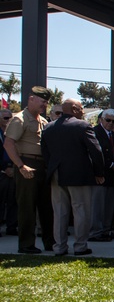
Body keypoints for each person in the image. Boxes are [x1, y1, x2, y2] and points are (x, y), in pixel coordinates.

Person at [41, 99, 104, 256]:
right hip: (79, 174)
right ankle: (80, 246)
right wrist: (99, 173)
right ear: (75, 109)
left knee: (59, 212)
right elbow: (96, 151)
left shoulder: (48, 128)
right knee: (81, 210)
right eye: (81, 108)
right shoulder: (82, 126)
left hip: (56, 174)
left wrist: (52, 168)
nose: (83, 111)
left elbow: (45, 153)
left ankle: (59, 247)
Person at [3, 86, 55, 254]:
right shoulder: (20, 119)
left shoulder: (43, 120)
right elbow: (8, 144)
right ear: (31, 98)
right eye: (42, 101)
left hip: (42, 165)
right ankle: (26, 244)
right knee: (27, 207)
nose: (44, 105)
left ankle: (50, 242)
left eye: (46, 102)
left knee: (47, 207)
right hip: (26, 163)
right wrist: (20, 165)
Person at [90, 109, 114, 241]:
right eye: (108, 120)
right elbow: (95, 153)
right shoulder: (94, 133)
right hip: (100, 174)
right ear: (101, 120)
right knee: (98, 206)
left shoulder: (113, 135)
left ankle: (106, 230)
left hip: (113, 177)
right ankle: (96, 232)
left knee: (109, 205)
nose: (111, 123)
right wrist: (111, 165)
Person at [0, 107, 19, 238]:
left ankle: (12, 227)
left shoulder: (14, 132)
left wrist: (14, 166)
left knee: (13, 200)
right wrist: (4, 168)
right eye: (5, 118)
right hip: (1, 171)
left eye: (10, 117)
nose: (8, 120)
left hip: (14, 169)